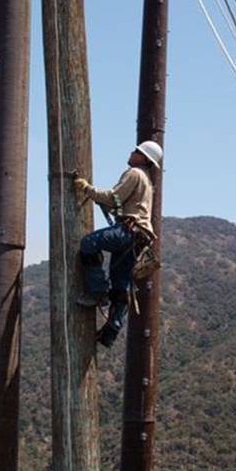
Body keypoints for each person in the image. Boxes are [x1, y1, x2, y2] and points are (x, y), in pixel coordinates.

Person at [72, 140, 161, 347]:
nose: (131, 153)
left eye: (136, 151)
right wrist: (100, 198)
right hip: (139, 237)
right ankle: (111, 331)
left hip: (128, 232)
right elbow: (121, 204)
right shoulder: (146, 179)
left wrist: (87, 189)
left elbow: (114, 198)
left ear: (144, 158)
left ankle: (98, 291)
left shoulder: (135, 173)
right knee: (121, 284)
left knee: (89, 243)